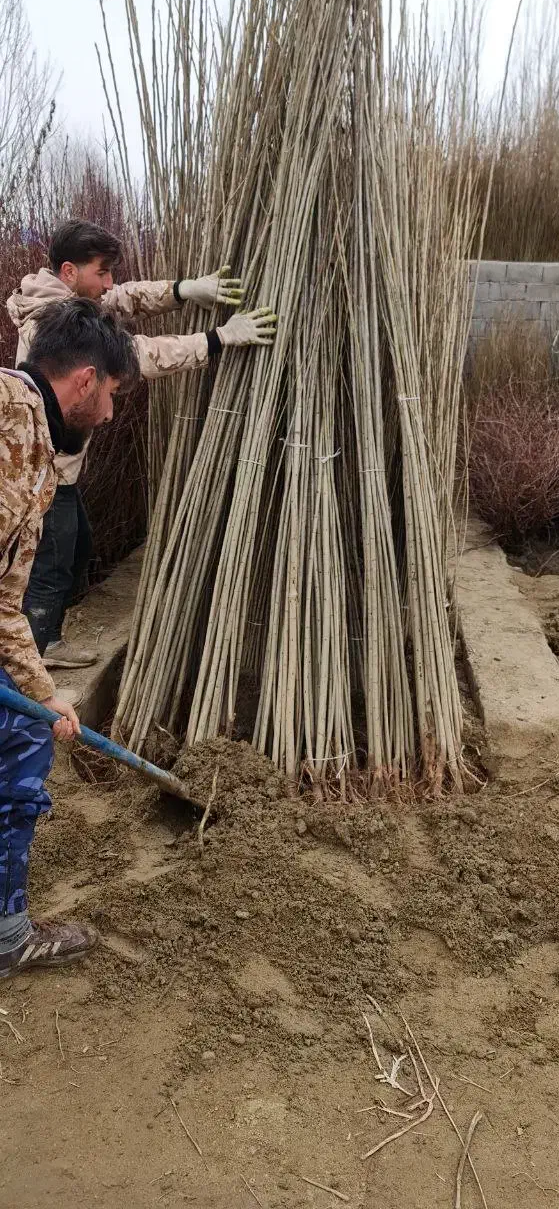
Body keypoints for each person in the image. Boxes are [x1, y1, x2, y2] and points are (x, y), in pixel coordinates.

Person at [7, 219, 276, 686]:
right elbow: (138, 354)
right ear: (69, 272)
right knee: (50, 564)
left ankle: (41, 636)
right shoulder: (50, 323)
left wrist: (183, 290)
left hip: (59, 473)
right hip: (44, 472)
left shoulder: (70, 300)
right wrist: (216, 339)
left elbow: (124, 296)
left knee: (75, 549)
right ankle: (36, 651)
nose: (109, 282)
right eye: (102, 271)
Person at [0, 298, 139, 979]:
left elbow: (4, 598)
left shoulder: (35, 443)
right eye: (111, 393)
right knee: (19, 753)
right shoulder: (6, 414)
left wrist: (42, 688)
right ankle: (6, 936)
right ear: (84, 380)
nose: (111, 413)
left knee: (23, 728)